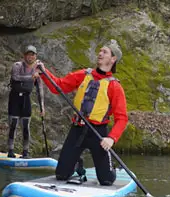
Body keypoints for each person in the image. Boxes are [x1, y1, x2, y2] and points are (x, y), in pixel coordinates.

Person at [35, 39, 128, 185]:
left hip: (98, 134)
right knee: (61, 175)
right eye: (100, 50)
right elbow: (58, 86)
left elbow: (122, 118)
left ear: (113, 59)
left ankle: (111, 169)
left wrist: (111, 138)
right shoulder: (84, 74)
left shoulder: (114, 86)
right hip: (77, 130)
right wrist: (43, 72)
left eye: (105, 52)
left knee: (106, 180)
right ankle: (76, 164)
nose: (100, 53)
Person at [7, 45, 45, 159]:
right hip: (14, 98)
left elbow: (40, 89)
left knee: (26, 127)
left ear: (35, 56)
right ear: (24, 56)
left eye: (32, 54)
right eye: (28, 54)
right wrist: (32, 76)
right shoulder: (17, 65)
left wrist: (42, 107)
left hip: (26, 99)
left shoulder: (37, 70)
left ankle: (25, 152)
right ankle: (10, 150)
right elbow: (15, 77)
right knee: (13, 125)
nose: (30, 57)